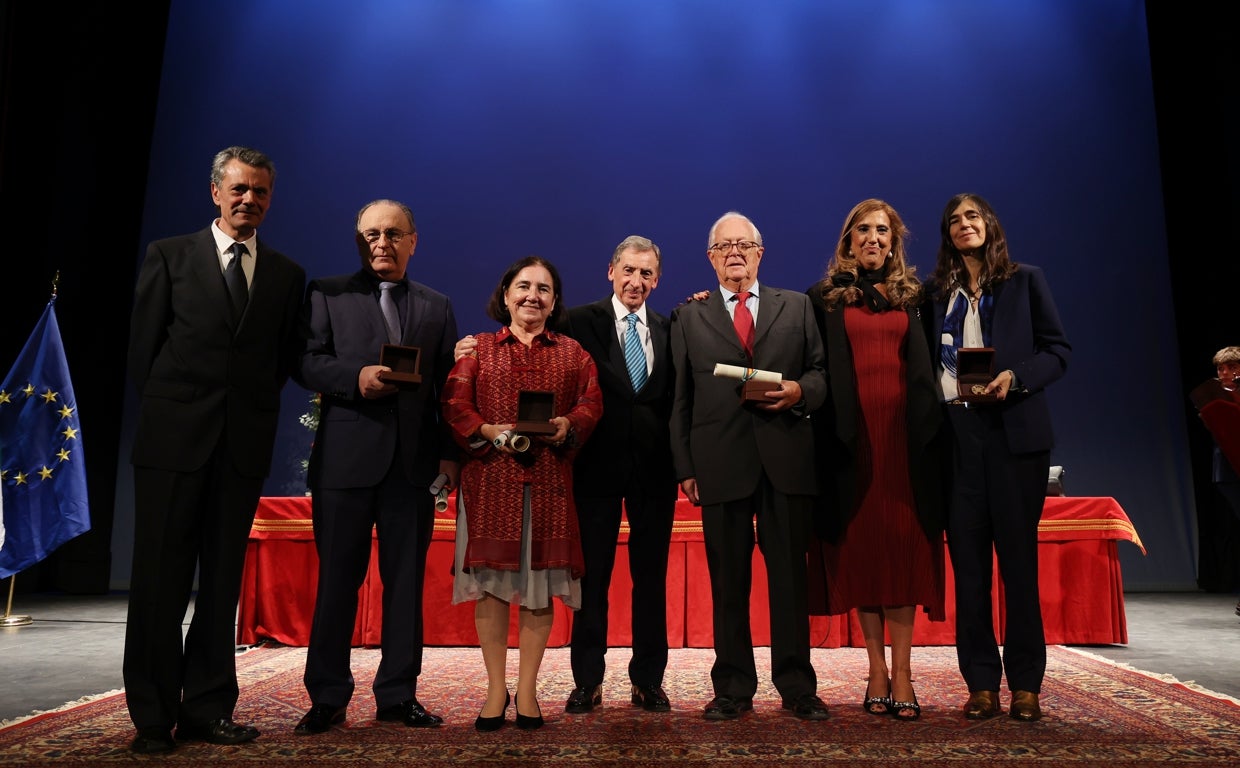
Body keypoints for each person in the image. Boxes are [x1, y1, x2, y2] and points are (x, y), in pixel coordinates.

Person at [123, 146, 307, 754]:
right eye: (238, 189)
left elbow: (279, 362)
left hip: (238, 449)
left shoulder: (284, 274)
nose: (248, 199)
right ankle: (152, 715)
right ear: (215, 192)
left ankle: (206, 708)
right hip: (172, 447)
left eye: (259, 191)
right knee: (158, 583)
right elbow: (144, 354)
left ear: (269, 199)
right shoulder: (169, 257)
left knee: (220, 584)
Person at [290, 200, 459, 735]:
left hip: (411, 469)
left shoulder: (437, 306)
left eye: (392, 234)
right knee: (338, 582)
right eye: (370, 235)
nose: (380, 243)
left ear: (413, 240)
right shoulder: (327, 292)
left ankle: (397, 695)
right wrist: (356, 377)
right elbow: (306, 361)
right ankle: (327, 696)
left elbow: (447, 390)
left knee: (405, 585)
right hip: (345, 465)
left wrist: (450, 455)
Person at [669, 211, 830, 721]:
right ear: (710, 258)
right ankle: (733, 687)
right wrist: (685, 466)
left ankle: (797, 685)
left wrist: (803, 391)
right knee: (728, 585)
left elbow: (821, 372)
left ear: (761, 252)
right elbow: (681, 398)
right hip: (720, 465)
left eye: (744, 244)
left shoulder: (799, 306)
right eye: (723, 246)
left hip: (786, 460)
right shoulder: (688, 316)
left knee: (789, 583)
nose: (734, 252)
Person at [441, 256, 603, 732]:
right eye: (524, 286)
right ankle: (496, 690)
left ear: (554, 302)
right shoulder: (477, 349)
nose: (533, 296)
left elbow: (592, 403)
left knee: (538, 592)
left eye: (544, 289)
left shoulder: (575, 353)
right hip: (491, 483)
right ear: (506, 293)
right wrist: (489, 430)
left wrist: (567, 425)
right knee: (491, 588)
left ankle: (528, 690)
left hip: (550, 482)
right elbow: (454, 406)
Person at [925, 192, 1070, 722]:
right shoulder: (934, 293)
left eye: (972, 216)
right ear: (947, 234)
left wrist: (1018, 378)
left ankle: (1026, 684)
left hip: (1014, 440)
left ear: (989, 224)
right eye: (954, 220)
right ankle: (981, 683)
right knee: (969, 573)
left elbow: (1058, 351)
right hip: (957, 440)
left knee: (1018, 568)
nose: (964, 225)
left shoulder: (1024, 280)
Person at [804, 199, 946, 722]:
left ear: (894, 240)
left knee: (903, 552)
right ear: (848, 240)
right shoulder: (822, 299)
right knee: (864, 555)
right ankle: (875, 670)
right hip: (851, 444)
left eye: (882, 230)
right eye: (862, 230)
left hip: (907, 446)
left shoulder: (917, 297)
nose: (872, 238)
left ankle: (904, 672)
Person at [561, 236, 678, 714]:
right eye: (629, 271)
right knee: (593, 580)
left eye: (646, 273)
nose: (637, 281)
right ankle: (587, 679)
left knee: (651, 579)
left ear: (657, 279)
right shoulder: (576, 322)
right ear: (610, 271)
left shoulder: (673, 329)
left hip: (655, 471)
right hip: (594, 469)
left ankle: (647, 680)